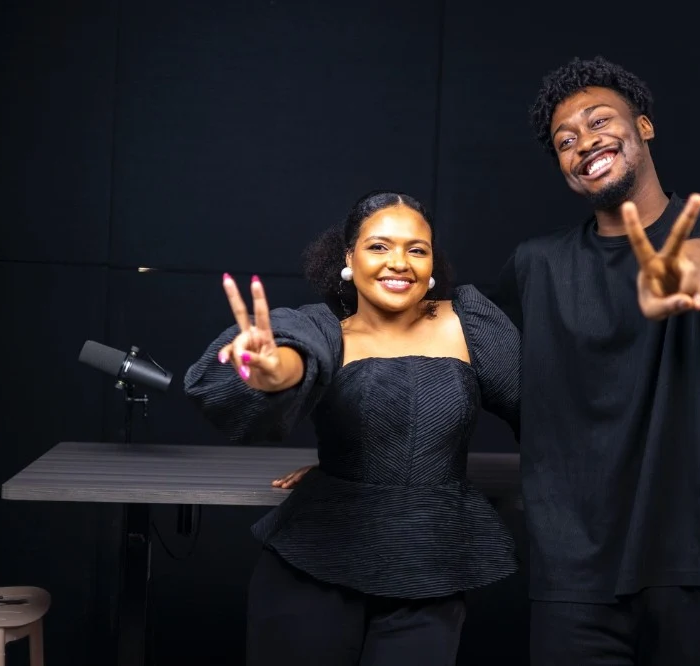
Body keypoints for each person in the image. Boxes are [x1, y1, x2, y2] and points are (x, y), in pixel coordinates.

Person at [491, 56, 700, 664]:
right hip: (576, 578)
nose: (583, 141)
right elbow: (440, 343)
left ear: (643, 127)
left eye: (599, 121)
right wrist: (351, 453)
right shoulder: (538, 265)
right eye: (565, 141)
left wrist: (684, 268)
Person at [182, 191, 521, 666]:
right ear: (348, 257)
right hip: (315, 563)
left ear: (432, 262)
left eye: (416, 249)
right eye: (379, 246)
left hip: (430, 563)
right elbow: (293, 354)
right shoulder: (325, 327)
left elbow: (547, 412)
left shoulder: (468, 321)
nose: (398, 262)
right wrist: (274, 372)